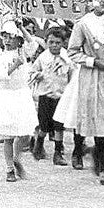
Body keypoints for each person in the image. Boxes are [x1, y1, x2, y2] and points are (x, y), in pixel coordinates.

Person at [57, 0, 104, 182]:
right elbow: (73, 52)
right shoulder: (84, 23)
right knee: (99, 120)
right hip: (93, 76)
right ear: (93, 0)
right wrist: (94, 62)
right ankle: (103, 166)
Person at [0, 20, 37, 181]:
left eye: (11, 37)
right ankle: (9, 168)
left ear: (18, 40)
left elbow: (33, 44)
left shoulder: (22, 51)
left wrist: (21, 26)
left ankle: (17, 158)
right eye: (5, 37)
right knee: (8, 136)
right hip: (5, 96)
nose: (7, 40)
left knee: (24, 132)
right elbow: (0, 75)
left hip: (21, 94)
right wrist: (15, 65)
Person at [28, 27, 73, 166]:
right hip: (45, 95)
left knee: (59, 126)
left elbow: (71, 75)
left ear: (63, 43)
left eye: (58, 43)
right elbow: (32, 72)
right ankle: (39, 144)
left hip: (61, 97)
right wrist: (37, 75)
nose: (54, 45)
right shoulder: (43, 57)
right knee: (44, 126)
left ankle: (57, 153)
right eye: (51, 42)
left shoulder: (67, 58)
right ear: (46, 42)